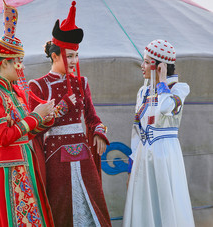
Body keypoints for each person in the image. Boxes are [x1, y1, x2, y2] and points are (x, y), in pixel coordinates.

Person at [28, 2, 112, 226]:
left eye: (76, 56)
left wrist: (99, 132)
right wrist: (62, 107)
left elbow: (93, 118)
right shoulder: (38, 86)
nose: (75, 61)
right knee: (60, 207)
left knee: (93, 204)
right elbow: (33, 128)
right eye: (70, 56)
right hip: (56, 156)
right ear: (55, 56)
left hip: (83, 154)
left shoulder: (82, 83)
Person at [0, 1, 55, 226]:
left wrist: (46, 118)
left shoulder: (13, 93)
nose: (21, 68)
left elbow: (26, 131)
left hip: (23, 162)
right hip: (5, 169)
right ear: (4, 64)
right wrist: (35, 117)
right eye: (18, 63)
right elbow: (3, 137)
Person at [123, 39, 195, 227]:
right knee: (143, 204)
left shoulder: (179, 88)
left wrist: (162, 82)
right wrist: (131, 165)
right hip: (142, 156)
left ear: (160, 66)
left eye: (147, 62)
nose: (142, 66)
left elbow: (167, 107)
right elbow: (137, 129)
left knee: (165, 200)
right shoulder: (143, 91)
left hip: (165, 154)